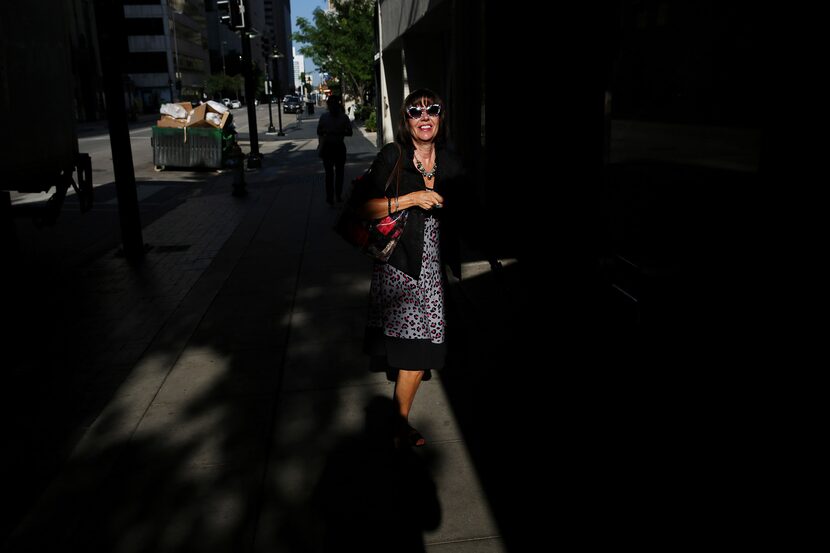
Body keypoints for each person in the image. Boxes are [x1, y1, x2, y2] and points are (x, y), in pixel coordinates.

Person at [359, 88, 468, 448]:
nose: (425, 118)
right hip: (401, 269)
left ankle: (397, 425)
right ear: (406, 121)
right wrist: (410, 198)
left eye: (432, 110)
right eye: (416, 112)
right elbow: (362, 208)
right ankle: (398, 428)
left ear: (441, 117)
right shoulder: (394, 156)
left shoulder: (449, 161)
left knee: (423, 357)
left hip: (433, 272)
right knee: (416, 357)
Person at [316, 94, 353, 205]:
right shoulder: (324, 117)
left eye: (334, 104)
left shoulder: (344, 117)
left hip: (339, 147)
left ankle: (337, 195)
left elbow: (350, 132)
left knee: (339, 173)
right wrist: (326, 132)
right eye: (331, 104)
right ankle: (330, 196)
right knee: (329, 174)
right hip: (328, 147)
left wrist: (339, 132)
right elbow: (319, 131)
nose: (332, 106)